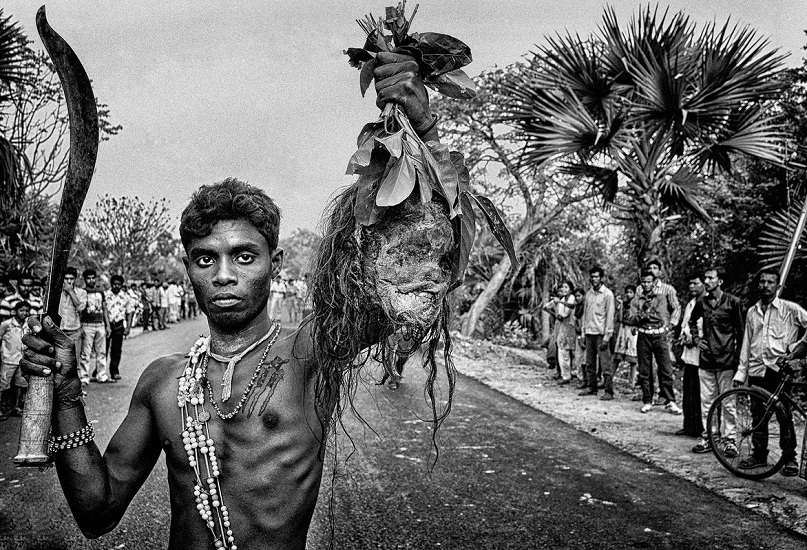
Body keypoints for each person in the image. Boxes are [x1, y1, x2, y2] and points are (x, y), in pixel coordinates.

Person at [21, 53, 447, 549]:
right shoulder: (163, 382)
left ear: (275, 263)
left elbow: (409, 282)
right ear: (188, 270)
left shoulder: (312, 353)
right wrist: (68, 395)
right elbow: (96, 512)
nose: (224, 275)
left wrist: (422, 132)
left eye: (244, 256)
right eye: (205, 259)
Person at [732, 269, 807, 476]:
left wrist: (797, 349)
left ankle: (789, 458)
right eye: (762, 282)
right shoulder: (752, 312)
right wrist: (741, 373)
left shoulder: (789, 309)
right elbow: (746, 343)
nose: (765, 285)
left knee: (784, 413)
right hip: (757, 368)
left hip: (778, 369)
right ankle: (759, 455)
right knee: (758, 414)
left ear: (778, 286)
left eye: (770, 282)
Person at [689, 268, 744, 456]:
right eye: (705, 278)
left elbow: (741, 331)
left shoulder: (733, 302)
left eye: (710, 278)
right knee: (707, 402)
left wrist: (738, 358)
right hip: (706, 361)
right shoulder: (702, 303)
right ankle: (709, 438)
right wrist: (697, 339)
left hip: (727, 361)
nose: (706, 281)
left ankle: (730, 441)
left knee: (728, 403)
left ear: (720, 281)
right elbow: (691, 322)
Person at [627, 267, 682, 414]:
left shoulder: (661, 298)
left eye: (649, 282)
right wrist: (642, 316)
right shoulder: (636, 299)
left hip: (659, 335)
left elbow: (661, 316)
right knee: (645, 369)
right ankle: (647, 400)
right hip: (644, 335)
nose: (646, 285)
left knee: (665, 368)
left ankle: (670, 400)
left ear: (654, 282)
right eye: (644, 282)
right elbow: (631, 319)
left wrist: (643, 315)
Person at [579, 267, 616, 400]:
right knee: (589, 363)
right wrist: (583, 333)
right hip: (589, 332)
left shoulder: (608, 294)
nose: (594, 279)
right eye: (592, 277)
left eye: (596, 277)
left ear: (601, 278)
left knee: (605, 363)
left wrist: (607, 336)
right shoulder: (588, 294)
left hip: (601, 334)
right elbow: (585, 314)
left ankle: (609, 391)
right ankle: (592, 387)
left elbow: (610, 316)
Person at [676, 273, 705, 437]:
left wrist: (694, 339)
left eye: (695, 283)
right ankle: (689, 425)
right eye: (690, 284)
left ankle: (701, 428)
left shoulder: (706, 303)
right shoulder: (690, 304)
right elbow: (685, 325)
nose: (691, 287)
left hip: (701, 353)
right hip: (689, 354)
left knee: (701, 392)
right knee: (689, 390)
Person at [80, 269, 112, 385]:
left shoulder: (100, 292)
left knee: (101, 352)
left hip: (100, 324)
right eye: (88, 278)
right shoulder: (82, 292)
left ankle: (102, 375)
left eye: (93, 278)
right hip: (87, 325)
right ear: (85, 279)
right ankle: (84, 377)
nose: (91, 280)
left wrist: (108, 326)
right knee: (85, 353)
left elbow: (104, 309)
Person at [0, 300, 30, 419]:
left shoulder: (28, 325)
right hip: (8, 359)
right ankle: (1, 408)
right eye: (21, 310)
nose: (24, 313)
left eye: (26, 311)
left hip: (22, 359)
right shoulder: (7, 324)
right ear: (15, 311)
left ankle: (16, 407)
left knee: (20, 385)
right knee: (3, 385)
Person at [544, 280, 576, 385]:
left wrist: (559, 303)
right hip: (563, 327)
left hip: (571, 327)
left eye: (566, 287)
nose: (564, 289)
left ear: (570, 289)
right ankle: (565, 375)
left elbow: (566, 313)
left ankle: (571, 375)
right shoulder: (562, 299)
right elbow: (559, 315)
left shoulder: (571, 298)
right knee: (562, 351)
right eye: (563, 287)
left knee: (570, 352)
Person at [105, 275, 135, 381]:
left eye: (119, 284)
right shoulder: (106, 295)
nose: (116, 286)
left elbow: (130, 313)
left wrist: (128, 328)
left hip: (119, 325)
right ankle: (99, 371)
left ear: (121, 285)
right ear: (111, 284)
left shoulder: (126, 297)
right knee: (103, 348)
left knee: (116, 350)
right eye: (114, 284)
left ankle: (114, 371)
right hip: (107, 325)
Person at [59, 267, 87, 370]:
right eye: (66, 279)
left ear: (75, 279)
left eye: (71, 278)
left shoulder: (81, 292)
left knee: (75, 361)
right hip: (60, 330)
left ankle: (75, 384)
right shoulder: (57, 292)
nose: (69, 281)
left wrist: (71, 292)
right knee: (60, 361)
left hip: (74, 331)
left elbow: (80, 308)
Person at [614, 285, 638, 386]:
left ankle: (631, 381)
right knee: (618, 355)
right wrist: (621, 305)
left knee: (632, 358)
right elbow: (619, 318)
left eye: (631, 292)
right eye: (627, 292)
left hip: (632, 330)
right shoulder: (624, 304)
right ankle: (609, 378)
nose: (628, 294)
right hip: (623, 329)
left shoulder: (637, 304)